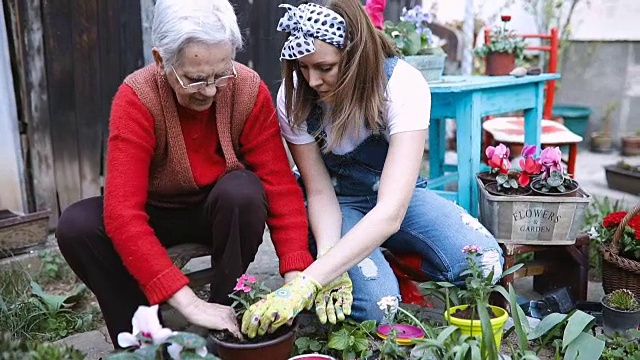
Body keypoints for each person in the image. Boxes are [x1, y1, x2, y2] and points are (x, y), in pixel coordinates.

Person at [55, 0, 316, 346]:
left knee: (244, 191)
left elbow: (281, 189)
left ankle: (224, 318)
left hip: (216, 211)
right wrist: (188, 301)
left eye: (221, 73)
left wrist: (295, 280)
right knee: (76, 225)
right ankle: (140, 334)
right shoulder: (137, 98)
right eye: (195, 79)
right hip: (154, 214)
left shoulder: (247, 89)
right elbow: (122, 214)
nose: (210, 90)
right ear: (161, 60)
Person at [241, 0, 504, 338]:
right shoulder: (295, 95)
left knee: (484, 263)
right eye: (303, 68)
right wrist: (326, 263)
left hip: (396, 201)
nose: (312, 80)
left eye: (325, 67)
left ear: (354, 56)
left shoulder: (401, 85)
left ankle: (389, 255)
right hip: (338, 206)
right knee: (381, 308)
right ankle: (366, 262)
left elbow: (392, 211)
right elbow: (319, 192)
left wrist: (307, 282)